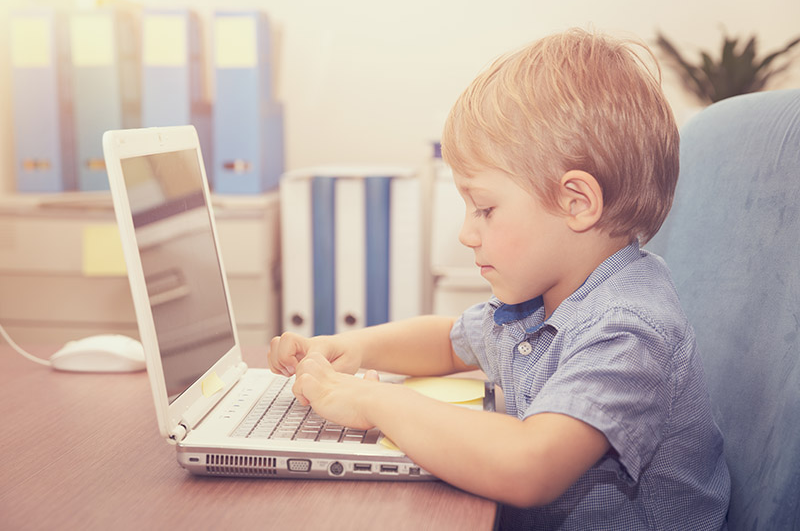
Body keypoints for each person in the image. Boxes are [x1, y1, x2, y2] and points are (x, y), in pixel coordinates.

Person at [267, 27, 730, 529]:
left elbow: (530, 465)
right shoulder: (540, 299)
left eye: (484, 208)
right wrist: (351, 348)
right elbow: (448, 342)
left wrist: (374, 400)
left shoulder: (629, 330)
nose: (467, 233)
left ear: (577, 203)